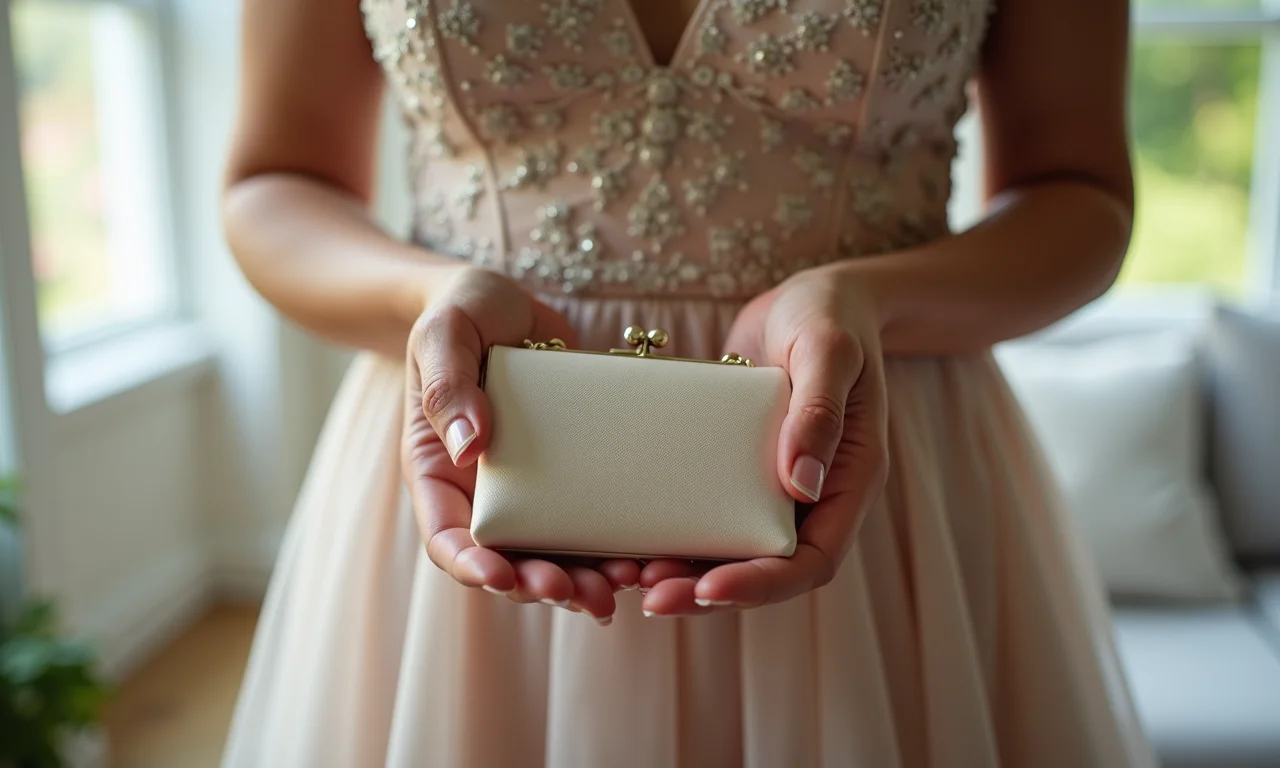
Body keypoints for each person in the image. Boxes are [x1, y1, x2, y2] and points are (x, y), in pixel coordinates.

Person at [221, 0, 1155, 765]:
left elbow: (1078, 193)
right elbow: (276, 180)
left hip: (859, 460)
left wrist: (865, 299)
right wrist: (431, 296)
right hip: (480, 449)